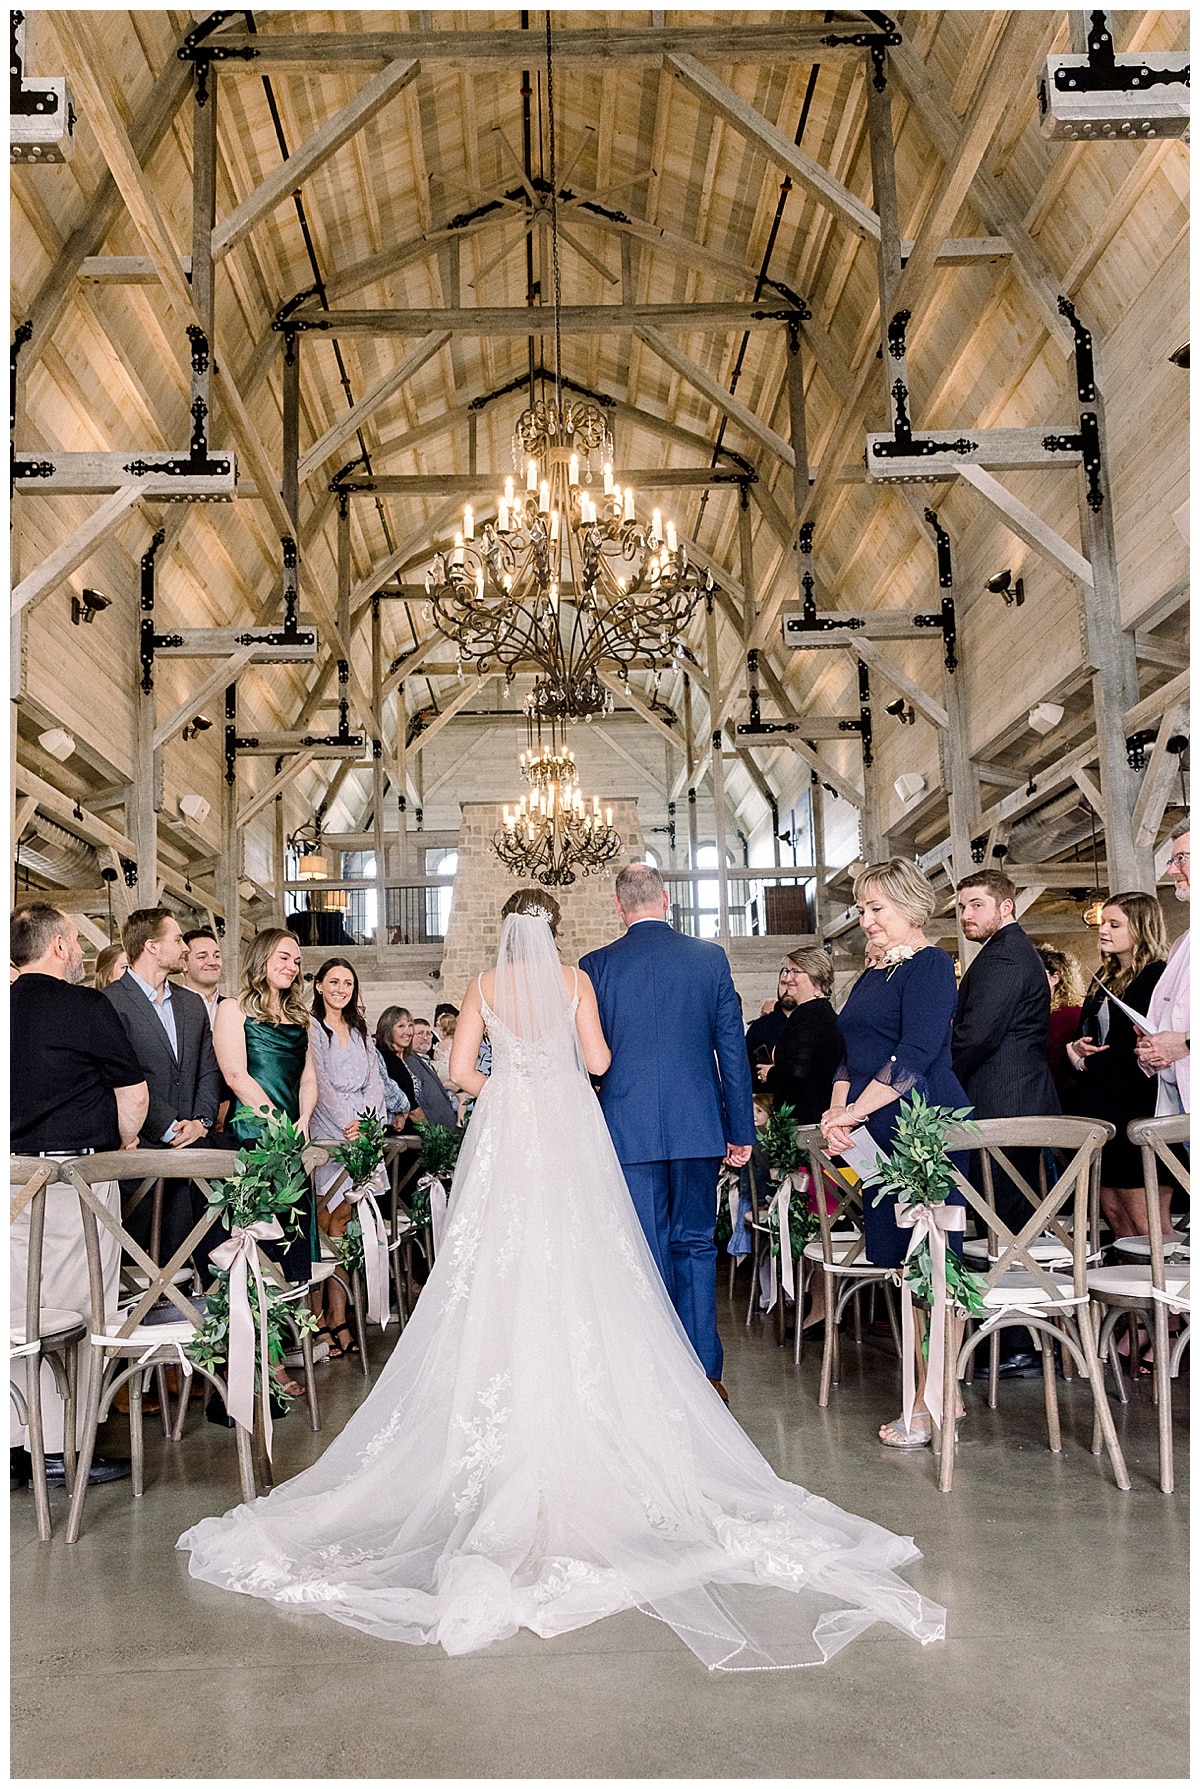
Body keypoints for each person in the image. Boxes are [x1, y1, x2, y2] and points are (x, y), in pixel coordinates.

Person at [178, 899, 945, 1670]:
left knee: (494, 1265)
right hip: (568, 1128)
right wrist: (555, 1066)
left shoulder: (480, 982)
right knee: (589, 1260)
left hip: (507, 1131)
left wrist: (503, 1074)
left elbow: (456, 1073)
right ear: (551, 937)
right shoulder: (577, 979)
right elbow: (602, 1063)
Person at [581, 864, 755, 1400]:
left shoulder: (596, 966)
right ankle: (705, 1371)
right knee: (697, 1244)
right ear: (666, 898)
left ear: (618, 905)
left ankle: (651, 1376)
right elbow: (733, 1051)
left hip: (625, 1131)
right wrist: (740, 1127)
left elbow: (588, 1062)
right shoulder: (710, 960)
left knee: (642, 1248)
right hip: (698, 1128)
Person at [820, 859, 968, 1449]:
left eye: (876, 909)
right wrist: (838, 1113)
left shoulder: (932, 966)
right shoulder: (870, 975)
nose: (866, 921)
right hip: (870, 1129)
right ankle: (935, 1393)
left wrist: (852, 1112)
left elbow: (914, 1055)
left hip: (919, 1129)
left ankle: (931, 1399)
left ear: (911, 907)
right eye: (862, 910)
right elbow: (846, 1057)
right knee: (903, 1268)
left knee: (932, 1268)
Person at [10, 903, 149, 1490]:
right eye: (75, 940)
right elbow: (134, 1094)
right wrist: (114, 1147)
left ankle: (17, 1447)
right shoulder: (86, 1006)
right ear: (61, 946)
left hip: (10, 1182)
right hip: (73, 1184)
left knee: (16, 1318)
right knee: (81, 1314)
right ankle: (66, 1451)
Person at [951, 871, 1062, 1377]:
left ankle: (1018, 1341)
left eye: (976, 904)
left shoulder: (1000, 956)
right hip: (1017, 1098)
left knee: (1006, 1224)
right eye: (963, 907)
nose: (967, 915)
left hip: (1004, 1103)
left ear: (1007, 906)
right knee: (1009, 1221)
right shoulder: (1013, 953)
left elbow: (975, 1036)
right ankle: (1018, 1336)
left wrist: (932, 1071)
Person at [213, 931, 318, 1396]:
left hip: (291, 1142)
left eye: (297, 960)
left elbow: (310, 1076)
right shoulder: (232, 1009)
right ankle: (258, 1366)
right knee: (254, 1253)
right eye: (284, 957)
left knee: (285, 1254)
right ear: (261, 958)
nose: (293, 966)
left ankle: (276, 1356)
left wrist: (302, 1121)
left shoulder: (300, 1015)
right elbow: (235, 1075)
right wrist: (276, 1122)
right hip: (254, 1141)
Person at [103, 908, 224, 1264]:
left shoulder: (191, 1004)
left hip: (192, 1152)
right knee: (141, 1263)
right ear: (152, 946)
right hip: (141, 1152)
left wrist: (201, 1120)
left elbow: (209, 1069)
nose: (184, 947)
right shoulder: (110, 1002)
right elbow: (119, 1077)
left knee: (189, 1260)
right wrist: (168, 1126)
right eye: (177, 939)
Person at [1066, 891, 1170, 1240]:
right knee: (1112, 1210)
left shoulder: (1156, 976)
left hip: (1136, 1103)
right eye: (1102, 923)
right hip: (1102, 1104)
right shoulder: (1106, 976)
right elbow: (1091, 1033)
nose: (1103, 931)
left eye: (1115, 924)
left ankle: (1170, 1290)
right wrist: (1077, 1047)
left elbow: (1136, 1047)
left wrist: (1084, 1064)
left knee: (1146, 1220)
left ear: (1141, 928)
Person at [308, 958, 388, 1358]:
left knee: (349, 1224)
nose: (341, 988)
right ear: (320, 985)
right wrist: (347, 1125)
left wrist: (369, 1123)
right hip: (328, 1124)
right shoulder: (314, 1028)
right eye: (334, 981)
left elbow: (375, 1081)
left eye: (348, 982)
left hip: (362, 1128)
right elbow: (319, 1081)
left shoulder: (360, 1032)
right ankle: (318, 1317)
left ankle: (339, 1317)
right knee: (327, 1223)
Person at [1135, 820, 1190, 1115]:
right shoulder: (1183, 942)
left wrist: (1185, 1043)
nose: (1171, 871)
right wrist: (1152, 1046)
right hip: (1181, 1095)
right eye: (1171, 861)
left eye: (1181, 858)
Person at [1037, 944, 1085, 1101]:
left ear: (1055, 978)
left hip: (1064, 1097)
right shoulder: (1047, 1011)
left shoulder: (1066, 1015)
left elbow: (1057, 1067)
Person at [744, 963, 802, 1073]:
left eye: (793, 984)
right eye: (783, 983)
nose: (787, 989)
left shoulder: (814, 1022)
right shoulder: (760, 1027)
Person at [374, 1008, 424, 1132]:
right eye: (401, 1026)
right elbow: (412, 1109)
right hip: (401, 1133)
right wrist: (430, 1133)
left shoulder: (407, 1059)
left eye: (410, 1025)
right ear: (387, 1030)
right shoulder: (388, 1059)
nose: (408, 1031)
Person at [178, 928, 224, 1028]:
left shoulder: (236, 1008)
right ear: (184, 964)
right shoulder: (171, 1006)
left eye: (216, 956)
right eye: (202, 957)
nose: (213, 962)